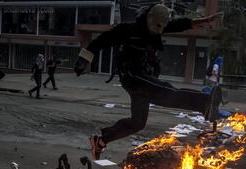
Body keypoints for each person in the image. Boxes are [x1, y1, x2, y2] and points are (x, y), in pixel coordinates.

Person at [74, 4, 222, 159]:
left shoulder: (158, 27)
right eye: (155, 27)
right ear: (148, 18)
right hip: (133, 76)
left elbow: (180, 24)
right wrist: (83, 60)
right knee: (167, 92)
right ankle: (205, 103)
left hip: (143, 77)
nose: (157, 31)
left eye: (161, 28)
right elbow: (99, 42)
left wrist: (204, 20)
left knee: (138, 122)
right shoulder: (127, 29)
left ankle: (101, 141)